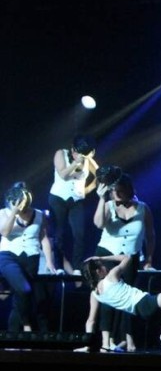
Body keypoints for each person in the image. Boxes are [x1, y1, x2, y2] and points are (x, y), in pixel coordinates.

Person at [90, 168, 156, 352]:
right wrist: (101, 199)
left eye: (120, 190)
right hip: (107, 255)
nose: (116, 194)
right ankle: (106, 341)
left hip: (130, 258)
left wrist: (149, 259)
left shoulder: (143, 208)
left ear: (128, 189)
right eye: (113, 191)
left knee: (129, 300)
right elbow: (98, 224)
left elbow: (150, 236)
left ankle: (129, 340)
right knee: (109, 297)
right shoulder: (109, 205)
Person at [81, 254, 161, 353]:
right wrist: (102, 257)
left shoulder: (95, 294)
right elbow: (127, 257)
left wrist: (88, 344)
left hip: (139, 311)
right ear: (98, 271)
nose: (105, 267)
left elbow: (91, 321)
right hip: (143, 302)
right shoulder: (111, 277)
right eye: (102, 266)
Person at [0, 182, 57, 332]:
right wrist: (14, 212)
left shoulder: (38, 214)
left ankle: (14, 335)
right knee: (24, 289)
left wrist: (49, 262)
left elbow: (44, 238)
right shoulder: (3, 213)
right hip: (8, 256)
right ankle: (27, 325)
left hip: (31, 258)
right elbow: (5, 232)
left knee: (20, 297)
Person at [48, 133, 99, 274]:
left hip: (76, 200)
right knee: (59, 234)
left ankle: (77, 267)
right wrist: (76, 162)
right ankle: (59, 267)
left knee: (79, 234)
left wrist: (88, 188)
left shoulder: (87, 159)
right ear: (73, 149)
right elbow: (63, 175)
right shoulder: (61, 154)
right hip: (58, 198)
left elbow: (99, 173)